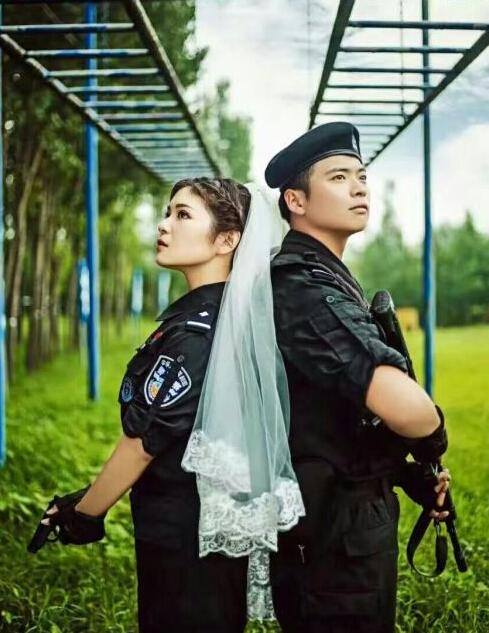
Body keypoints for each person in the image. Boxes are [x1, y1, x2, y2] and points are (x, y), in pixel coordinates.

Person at [35, 176, 304, 632]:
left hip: (184, 539)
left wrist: (85, 514)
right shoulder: (220, 320)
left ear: (227, 240)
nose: (164, 225)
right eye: (166, 213)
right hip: (193, 530)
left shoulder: (197, 333)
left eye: (182, 215)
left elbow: (142, 443)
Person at [264, 121, 451, 633]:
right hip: (331, 538)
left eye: (362, 176)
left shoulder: (326, 275)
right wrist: (432, 440)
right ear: (296, 201)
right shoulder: (303, 286)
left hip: (343, 521)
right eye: (339, 177)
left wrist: (406, 472)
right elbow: (407, 408)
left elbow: (333, 416)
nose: (359, 187)